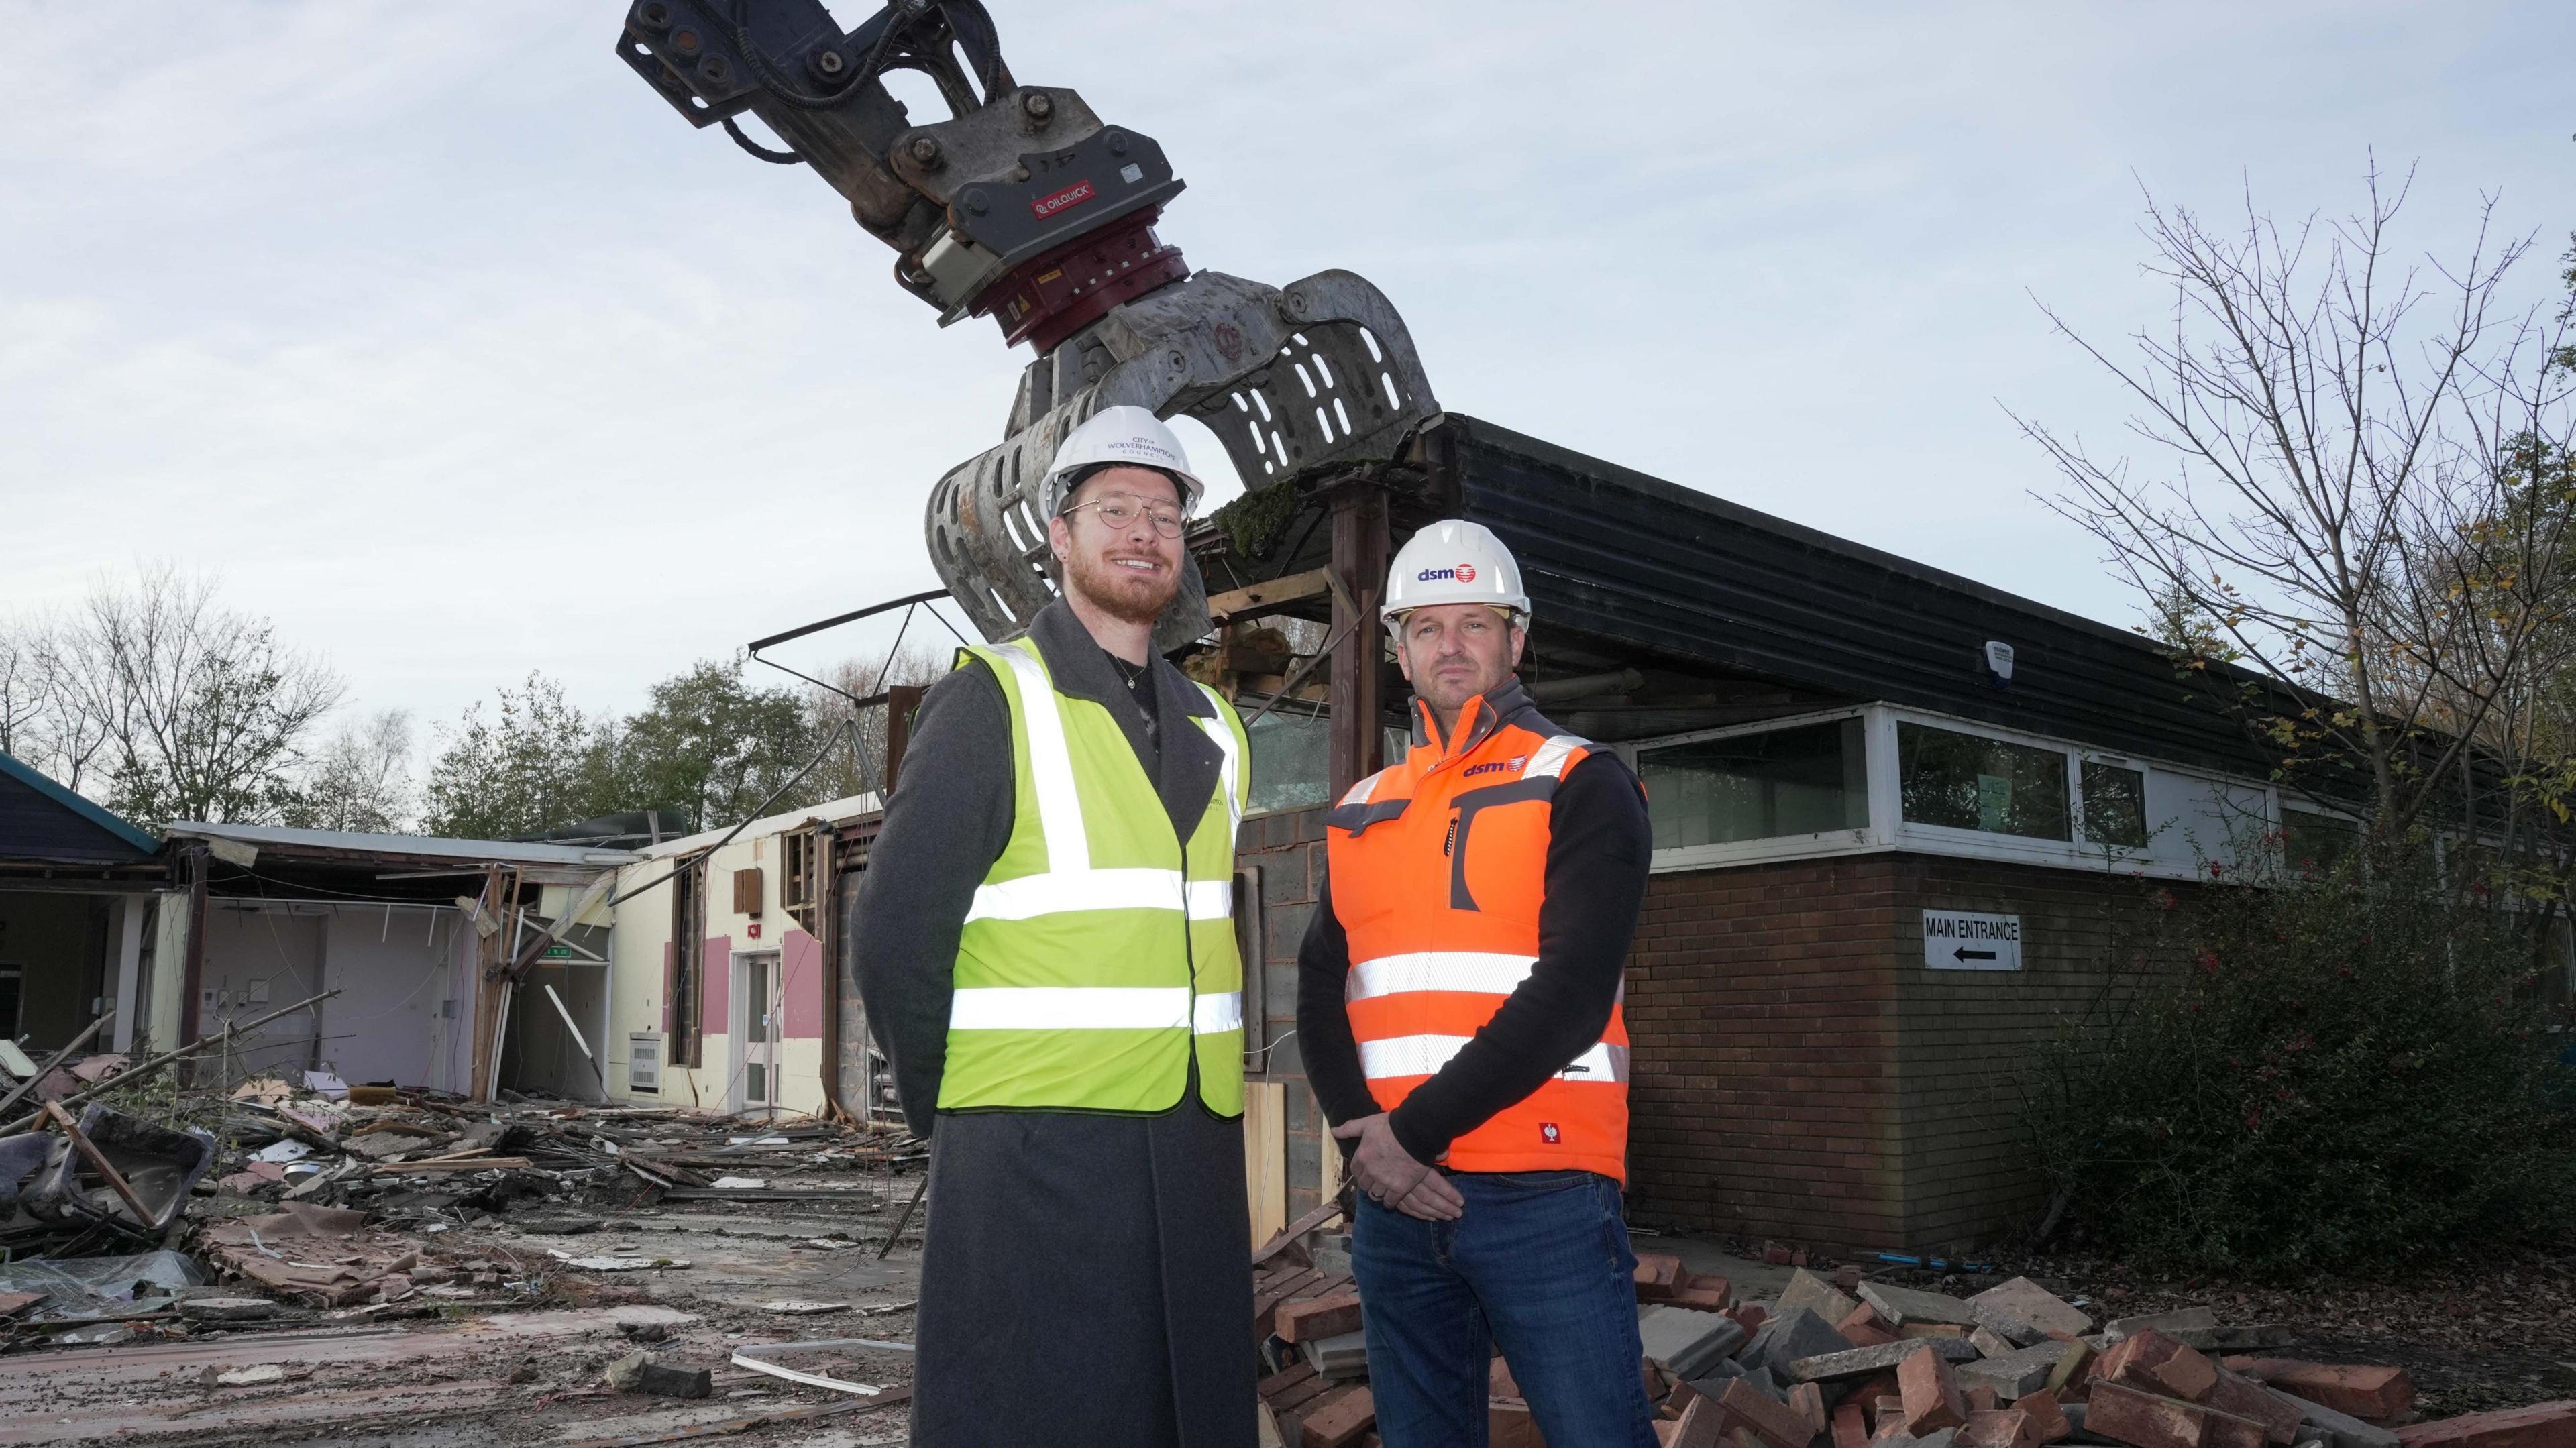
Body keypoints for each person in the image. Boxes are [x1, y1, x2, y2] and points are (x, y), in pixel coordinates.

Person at [851, 405, 1256, 1448]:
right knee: (1040, 1415)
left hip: (1193, 1142)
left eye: (1165, 513)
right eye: (1114, 507)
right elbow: (896, 935)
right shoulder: (996, 699)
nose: (1142, 531)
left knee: (1182, 1418)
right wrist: (964, 1113)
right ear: (1060, 537)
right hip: (1036, 1153)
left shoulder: (1215, 727)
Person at [1296, 518, 1659, 1447]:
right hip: (1392, 1205)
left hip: (1544, 1193)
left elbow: (1572, 994)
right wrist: (1361, 1139)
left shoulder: (1579, 780)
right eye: (1427, 626)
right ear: (1400, 652)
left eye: (1475, 623)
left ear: (1516, 640)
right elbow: (1319, 987)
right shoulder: (1361, 810)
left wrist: (1406, 1138)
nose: (1450, 645)